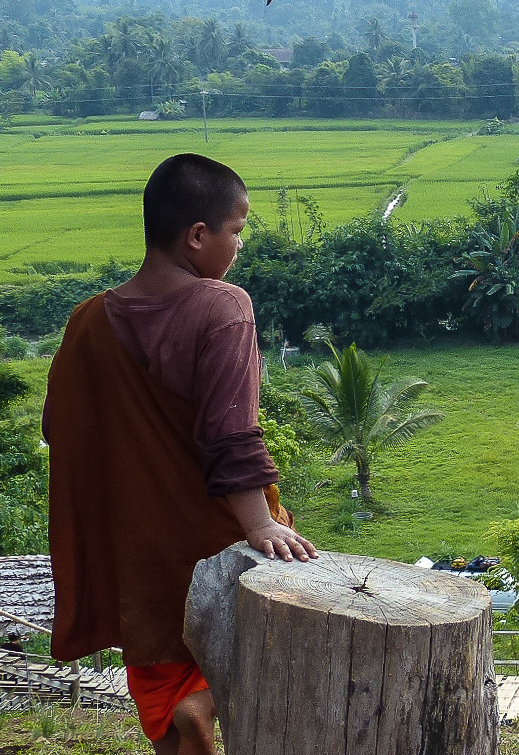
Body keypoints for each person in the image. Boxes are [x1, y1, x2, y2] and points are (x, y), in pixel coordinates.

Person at [44, 154, 317, 755]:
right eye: (236, 231)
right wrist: (261, 525)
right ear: (197, 235)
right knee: (278, 645)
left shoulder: (86, 320)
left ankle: (188, 712)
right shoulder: (222, 305)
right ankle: (207, 700)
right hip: (216, 544)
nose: (240, 246)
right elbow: (231, 432)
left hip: (138, 559)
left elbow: (59, 426)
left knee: (163, 697)